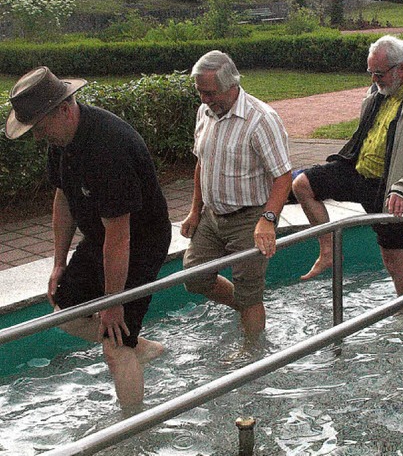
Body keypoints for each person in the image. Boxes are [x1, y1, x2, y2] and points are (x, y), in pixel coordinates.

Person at [4, 66, 172, 409]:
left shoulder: (109, 148)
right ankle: (144, 350)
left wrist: (113, 303)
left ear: (64, 110)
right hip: (102, 237)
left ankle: (132, 436)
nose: (36, 137)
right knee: (65, 312)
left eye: (39, 127)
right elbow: (63, 198)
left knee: (115, 346)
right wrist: (57, 263)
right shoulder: (61, 138)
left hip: (139, 242)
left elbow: (120, 237)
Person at [292, 35, 403, 297]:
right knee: (302, 184)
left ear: (402, 69)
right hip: (357, 173)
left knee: (394, 263)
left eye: (379, 73)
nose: (374, 79)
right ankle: (327, 250)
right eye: (371, 73)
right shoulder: (379, 92)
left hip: (389, 190)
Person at [180, 50, 292, 339]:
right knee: (194, 276)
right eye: (200, 92)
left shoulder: (261, 119)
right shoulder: (205, 112)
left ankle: (252, 354)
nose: (204, 99)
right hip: (212, 216)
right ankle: (244, 309)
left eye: (209, 92)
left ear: (231, 86)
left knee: (249, 292)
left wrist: (268, 219)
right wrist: (195, 210)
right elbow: (201, 162)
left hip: (250, 217)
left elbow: (283, 176)